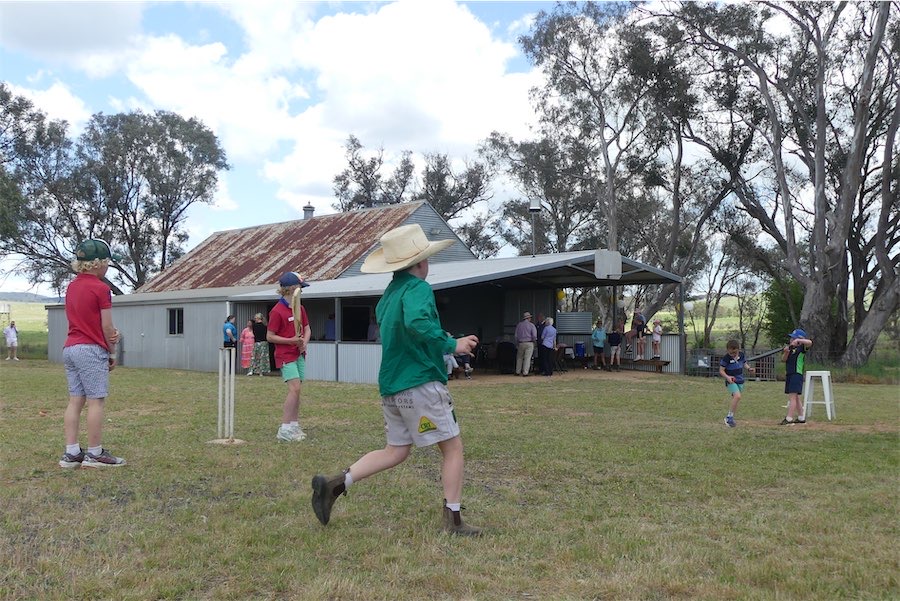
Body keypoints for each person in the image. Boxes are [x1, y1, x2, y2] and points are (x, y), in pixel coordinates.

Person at [310, 223, 482, 536]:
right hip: (420, 382)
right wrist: (452, 345)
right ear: (420, 262)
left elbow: (409, 329)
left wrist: (449, 337)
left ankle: (336, 484)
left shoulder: (389, 295)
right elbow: (418, 324)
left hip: (392, 386)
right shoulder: (419, 289)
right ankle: (453, 520)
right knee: (453, 448)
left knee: (396, 451)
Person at [59, 239, 125, 468]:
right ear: (97, 264)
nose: (107, 268)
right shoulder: (101, 288)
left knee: (76, 400)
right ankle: (95, 453)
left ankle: (72, 453)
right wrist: (113, 351)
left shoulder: (72, 286)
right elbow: (107, 326)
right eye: (106, 263)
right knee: (96, 401)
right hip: (90, 348)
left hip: (70, 347)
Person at [267, 272, 311, 441]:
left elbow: (307, 329)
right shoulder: (277, 311)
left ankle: (294, 424)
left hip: (299, 353)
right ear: (291, 289)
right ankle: (284, 428)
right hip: (285, 354)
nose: (302, 291)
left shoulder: (300, 308)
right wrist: (291, 340)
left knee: (298, 391)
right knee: (294, 388)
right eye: (300, 288)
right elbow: (270, 336)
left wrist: (304, 342)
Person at [719, 339, 755, 428]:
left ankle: (732, 416)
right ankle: (729, 417)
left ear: (738, 350)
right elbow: (721, 371)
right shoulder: (726, 358)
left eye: (734, 353)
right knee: (737, 396)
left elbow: (744, 363)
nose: (732, 355)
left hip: (740, 380)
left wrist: (749, 368)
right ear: (727, 351)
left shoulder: (741, 356)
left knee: (736, 399)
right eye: (730, 353)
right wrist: (728, 377)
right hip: (731, 381)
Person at [781, 328, 813, 425]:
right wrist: (786, 352)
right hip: (789, 374)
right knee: (796, 397)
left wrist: (799, 341)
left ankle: (789, 418)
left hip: (796, 373)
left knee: (792, 397)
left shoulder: (802, 348)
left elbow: (810, 342)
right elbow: (784, 360)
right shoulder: (791, 349)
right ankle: (801, 417)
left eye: (793, 338)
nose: (791, 340)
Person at [514, 311, 537, 376]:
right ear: (529, 318)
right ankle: (525, 372)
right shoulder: (531, 325)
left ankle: (517, 371)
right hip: (529, 343)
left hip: (521, 343)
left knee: (519, 358)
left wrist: (517, 342)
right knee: (527, 358)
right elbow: (534, 335)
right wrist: (534, 342)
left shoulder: (519, 325)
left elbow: (516, 335)